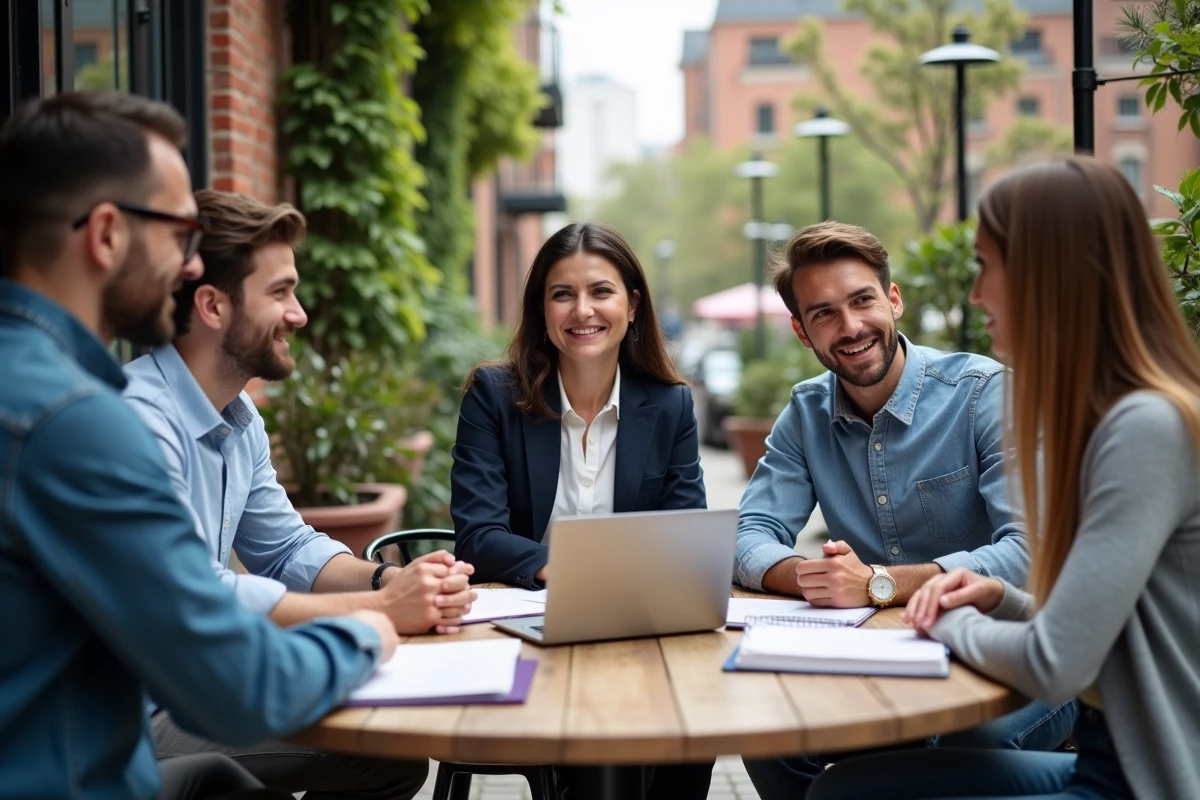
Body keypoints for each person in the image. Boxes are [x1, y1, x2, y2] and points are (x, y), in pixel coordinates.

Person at [0, 90, 399, 800]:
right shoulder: (78, 422)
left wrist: (374, 587)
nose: (190, 267)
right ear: (106, 235)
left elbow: (278, 552)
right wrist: (370, 630)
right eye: (179, 235)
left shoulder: (41, 392)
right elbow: (229, 682)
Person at [808, 158, 1200, 799]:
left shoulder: (1145, 429)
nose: (975, 294)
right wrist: (1002, 601)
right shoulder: (1118, 416)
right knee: (845, 786)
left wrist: (936, 620)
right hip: (1106, 761)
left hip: (1142, 780)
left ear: (1048, 275)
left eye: (987, 266)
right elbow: (1100, 621)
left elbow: (1057, 663)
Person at [121, 189, 469, 799]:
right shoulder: (141, 424)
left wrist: (389, 581)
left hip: (196, 682)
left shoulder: (239, 417)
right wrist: (383, 614)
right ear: (213, 305)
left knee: (392, 747)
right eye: (280, 292)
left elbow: (287, 549)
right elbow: (201, 597)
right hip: (130, 715)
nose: (299, 313)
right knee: (384, 750)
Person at [733, 221, 1076, 799]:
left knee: (967, 744)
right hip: (885, 655)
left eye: (862, 300)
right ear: (801, 332)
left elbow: (1028, 551)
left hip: (1024, 646)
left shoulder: (984, 394)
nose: (850, 327)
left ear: (893, 300)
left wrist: (878, 585)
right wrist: (813, 578)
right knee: (775, 740)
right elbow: (749, 533)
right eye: (823, 314)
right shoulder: (806, 413)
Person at [450, 221, 711, 798]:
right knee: (604, 729)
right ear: (541, 309)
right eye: (562, 293)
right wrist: (566, 569)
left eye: (601, 291)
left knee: (695, 721)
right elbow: (478, 534)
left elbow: (684, 536)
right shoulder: (494, 396)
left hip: (635, 626)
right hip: (525, 629)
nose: (582, 310)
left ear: (633, 304)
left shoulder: (670, 406)